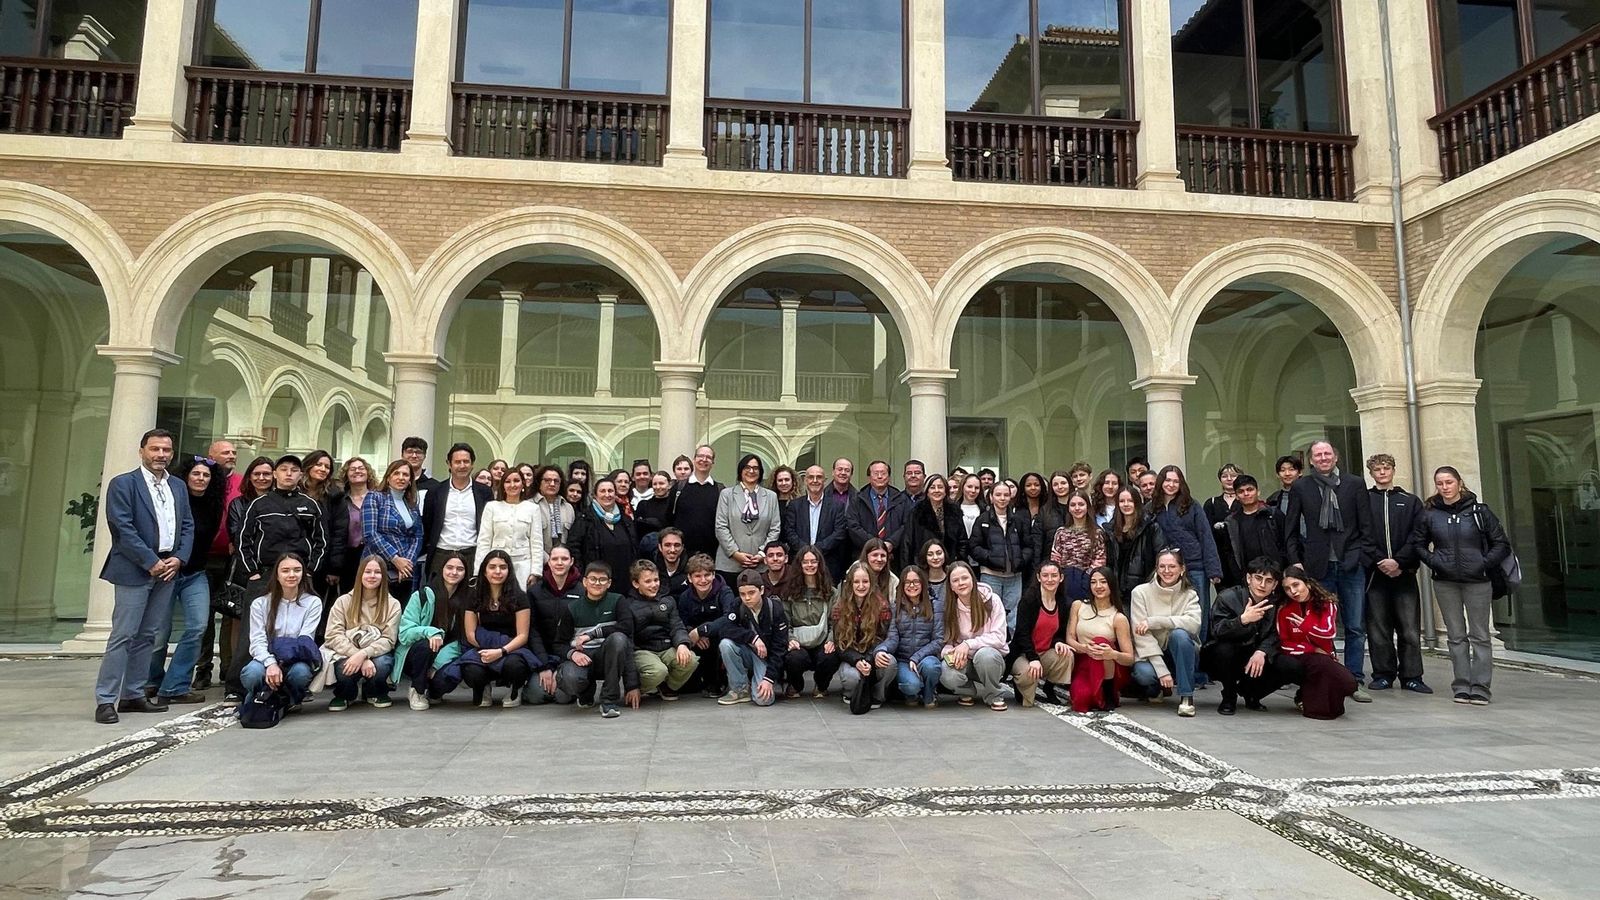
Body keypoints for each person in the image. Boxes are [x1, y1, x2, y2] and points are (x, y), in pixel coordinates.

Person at [94, 429, 196, 724]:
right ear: (142, 451)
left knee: (147, 636)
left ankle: (133, 694)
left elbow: (187, 524)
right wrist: (150, 561)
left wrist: (178, 558)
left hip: (168, 569)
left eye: (166, 450)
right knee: (123, 635)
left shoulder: (177, 486)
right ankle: (105, 699)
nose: (161, 455)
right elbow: (122, 528)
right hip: (135, 569)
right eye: (155, 449)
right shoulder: (123, 484)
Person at [1409, 466, 1510, 706]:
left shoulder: (1479, 512)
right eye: (1440, 483)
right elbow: (1418, 543)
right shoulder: (1430, 513)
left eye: (1449, 482)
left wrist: (1483, 563)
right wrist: (1434, 561)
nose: (1445, 487)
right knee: (1455, 635)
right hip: (1445, 581)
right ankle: (1462, 684)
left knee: (1480, 635)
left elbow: (1501, 543)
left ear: (1459, 483)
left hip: (1478, 580)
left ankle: (1481, 686)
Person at [1284, 440, 1375, 700]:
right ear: (1311, 461)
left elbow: (1366, 526)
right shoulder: (1302, 486)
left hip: (1350, 563)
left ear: (1335, 457)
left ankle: (1354, 679)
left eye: (1327, 453)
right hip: (1317, 565)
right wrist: (1296, 562)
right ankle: (1329, 675)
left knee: (1355, 625)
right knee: (1321, 625)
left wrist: (1361, 557)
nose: (1323, 458)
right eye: (1318, 455)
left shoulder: (1354, 484)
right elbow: (1290, 528)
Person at [145, 455, 222, 705]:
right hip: (166, 571)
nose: (201, 479)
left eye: (206, 475)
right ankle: (151, 681)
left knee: (197, 626)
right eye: (196, 474)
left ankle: (175, 685)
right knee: (159, 632)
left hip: (195, 572)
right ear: (185, 476)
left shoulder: (214, 503)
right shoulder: (172, 499)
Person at [1252, 566, 1358, 719]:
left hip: (1325, 657)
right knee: (1321, 702)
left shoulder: (1326, 603)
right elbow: (1284, 642)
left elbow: (1329, 632)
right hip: (1300, 657)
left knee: (1347, 686)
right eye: (1287, 588)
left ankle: (1305, 696)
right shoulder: (1284, 609)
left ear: (1307, 583)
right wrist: (1312, 649)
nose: (1293, 591)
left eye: (1296, 585)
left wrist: (1305, 626)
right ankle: (1309, 701)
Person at [1366, 454, 1430, 694]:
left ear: (1393, 470)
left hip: (1404, 572)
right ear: (1371, 473)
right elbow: (1362, 535)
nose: (1382, 472)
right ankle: (1383, 674)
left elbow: (1418, 534)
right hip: (1375, 573)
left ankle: (1412, 676)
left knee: (1410, 628)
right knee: (1378, 627)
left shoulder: (1411, 501)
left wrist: (1399, 561)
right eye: (1377, 469)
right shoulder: (1365, 500)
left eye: (1386, 468)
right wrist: (1379, 560)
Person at [216, 455, 272, 699]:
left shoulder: (279, 502)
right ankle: (233, 675)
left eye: (267, 474)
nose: (262, 478)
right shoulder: (239, 503)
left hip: (275, 569)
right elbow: (238, 535)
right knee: (240, 623)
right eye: (257, 474)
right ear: (249, 477)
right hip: (246, 569)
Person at [452, 550, 539, 707]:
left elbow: (522, 635)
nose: (497, 571)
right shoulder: (474, 595)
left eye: (503, 567)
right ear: (484, 571)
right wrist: (488, 652)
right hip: (482, 646)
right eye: (492, 567)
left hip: (512, 648)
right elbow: (470, 633)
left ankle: (515, 689)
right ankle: (483, 687)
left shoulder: (520, 597)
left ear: (509, 571)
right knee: (471, 670)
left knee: (515, 666)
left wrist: (500, 651)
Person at [1199, 557, 1284, 715]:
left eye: (1268, 581)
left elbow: (1277, 634)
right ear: (1248, 578)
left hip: (1256, 654)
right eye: (1258, 578)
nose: (1262, 585)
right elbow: (1216, 630)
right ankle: (1229, 695)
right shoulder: (1228, 597)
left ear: (1275, 585)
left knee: (1289, 664)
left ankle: (1252, 693)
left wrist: (1262, 651)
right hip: (1228, 654)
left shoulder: (1278, 603)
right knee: (1224, 650)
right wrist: (1243, 620)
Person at [558, 557, 640, 717]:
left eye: (602, 580)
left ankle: (609, 700)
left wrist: (632, 685)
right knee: (569, 679)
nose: (597, 583)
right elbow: (558, 643)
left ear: (609, 583)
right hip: (582, 658)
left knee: (619, 639)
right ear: (585, 582)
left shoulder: (618, 601)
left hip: (607, 657)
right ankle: (585, 693)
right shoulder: (572, 608)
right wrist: (573, 654)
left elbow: (626, 628)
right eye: (593, 579)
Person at [236, 454, 328, 597]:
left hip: (299, 574)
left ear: (301, 475)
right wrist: (252, 572)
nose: (289, 473)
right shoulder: (257, 504)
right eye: (283, 469)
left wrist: (310, 570)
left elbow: (322, 541)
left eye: (294, 470)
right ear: (275, 474)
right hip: (264, 574)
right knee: (257, 619)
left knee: (298, 618)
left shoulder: (311, 505)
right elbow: (243, 540)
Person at [239, 553, 322, 710]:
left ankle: (291, 699)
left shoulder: (313, 602)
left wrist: (282, 662)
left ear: (303, 574)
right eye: (285, 570)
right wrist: (270, 663)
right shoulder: (260, 603)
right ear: (276, 575)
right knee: (251, 674)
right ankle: (259, 698)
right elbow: (257, 641)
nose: (291, 575)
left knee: (301, 674)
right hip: (267, 656)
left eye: (297, 570)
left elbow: (305, 640)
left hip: (296, 657)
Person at [1150, 466, 1222, 642]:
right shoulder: (1151, 508)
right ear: (1161, 482)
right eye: (1168, 480)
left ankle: (1201, 653)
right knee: (1173, 612)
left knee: (1199, 612)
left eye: (1176, 481)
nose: (1171, 484)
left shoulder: (1192, 505)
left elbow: (1206, 535)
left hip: (1195, 566)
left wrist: (1214, 570)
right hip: (1167, 570)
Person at [321, 555, 402, 710]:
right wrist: (357, 655)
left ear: (383, 576)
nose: (372, 576)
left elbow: (389, 639)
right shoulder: (343, 601)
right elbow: (333, 635)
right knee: (344, 669)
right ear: (360, 575)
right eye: (368, 571)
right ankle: (345, 694)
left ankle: (374, 691)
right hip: (347, 653)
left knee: (383, 664)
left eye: (377, 572)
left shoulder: (393, 604)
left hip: (377, 654)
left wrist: (364, 654)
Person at [1129, 549, 1202, 717]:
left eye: (1172, 566)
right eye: (1162, 566)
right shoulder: (1140, 592)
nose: (1167, 571)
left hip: (1181, 652)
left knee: (1180, 635)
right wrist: (1163, 671)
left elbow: (1193, 624)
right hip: (1151, 654)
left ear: (1182, 569)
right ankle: (1157, 689)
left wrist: (1155, 621)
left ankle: (1186, 697)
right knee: (1144, 674)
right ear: (1156, 568)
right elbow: (1141, 635)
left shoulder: (1190, 594)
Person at [194, 439, 241, 692]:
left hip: (232, 560)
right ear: (211, 455)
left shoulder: (243, 482)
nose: (231, 455)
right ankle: (202, 668)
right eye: (226, 452)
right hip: (203, 557)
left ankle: (228, 667)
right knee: (204, 616)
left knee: (231, 613)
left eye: (234, 452)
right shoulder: (202, 479)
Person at [612, 560, 698, 699]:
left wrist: (682, 644)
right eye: (648, 581)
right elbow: (628, 642)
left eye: (656, 580)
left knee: (691, 660)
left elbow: (677, 625)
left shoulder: (668, 600)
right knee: (658, 671)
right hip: (642, 650)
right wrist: (631, 686)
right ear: (636, 583)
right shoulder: (627, 605)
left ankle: (666, 687)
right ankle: (642, 689)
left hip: (666, 647)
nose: (654, 585)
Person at [394, 551, 469, 710]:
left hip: (443, 658)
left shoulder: (467, 601)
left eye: (459, 569)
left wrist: (436, 665)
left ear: (465, 573)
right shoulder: (421, 596)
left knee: (449, 676)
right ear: (441, 569)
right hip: (416, 656)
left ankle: (434, 692)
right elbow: (405, 633)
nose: (454, 572)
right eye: (449, 567)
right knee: (426, 645)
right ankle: (417, 690)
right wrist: (430, 631)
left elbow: (462, 640)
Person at [710, 570, 791, 705]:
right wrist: (752, 638)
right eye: (742, 594)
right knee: (726, 644)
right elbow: (725, 628)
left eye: (751, 593)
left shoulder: (774, 608)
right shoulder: (737, 605)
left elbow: (780, 648)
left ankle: (763, 681)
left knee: (763, 700)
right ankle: (740, 688)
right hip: (748, 652)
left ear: (762, 590)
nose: (747, 598)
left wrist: (769, 678)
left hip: (767, 659)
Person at [937, 562, 1010, 710]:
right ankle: (966, 691)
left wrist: (968, 644)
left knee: (985, 655)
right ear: (951, 586)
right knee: (946, 672)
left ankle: (994, 694)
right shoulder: (949, 607)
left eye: (965, 578)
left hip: (990, 661)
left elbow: (999, 637)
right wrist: (952, 653)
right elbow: (946, 641)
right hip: (965, 662)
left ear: (973, 579)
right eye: (955, 580)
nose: (961, 583)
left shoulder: (992, 600)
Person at [1065, 568, 1136, 712]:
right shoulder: (1078, 606)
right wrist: (1084, 648)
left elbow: (1130, 658)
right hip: (1084, 661)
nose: (1098, 586)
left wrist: (1112, 654)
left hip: (1110, 668)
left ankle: (1108, 692)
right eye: (1093, 582)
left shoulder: (1118, 618)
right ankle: (1095, 692)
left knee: (1100, 641)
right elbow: (1070, 638)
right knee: (1081, 701)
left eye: (1103, 582)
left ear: (1111, 585)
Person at [873, 566, 943, 707]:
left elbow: (939, 640)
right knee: (911, 685)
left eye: (916, 581)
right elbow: (893, 637)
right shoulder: (896, 607)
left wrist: (916, 657)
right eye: (908, 582)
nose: (912, 585)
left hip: (926, 658)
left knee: (932, 667)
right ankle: (911, 694)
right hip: (903, 660)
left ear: (923, 583)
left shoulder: (935, 606)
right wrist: (881, 650)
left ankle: (929, 694)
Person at [421, 442, 492, 579]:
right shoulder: (435, 491)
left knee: (472, 598)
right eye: (457, 462)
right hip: (441, 554)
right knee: (438, 597)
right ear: (449, 464)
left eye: (466, 461)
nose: (462, 465)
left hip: (472, 555)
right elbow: (427, 524)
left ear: (472, 464)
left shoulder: (484, 492)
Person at [1009, 561, 1074, 707]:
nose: (1050, 579)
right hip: (1024, 654)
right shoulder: (1029, 600)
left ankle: (1049, 687)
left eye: (1054, 575)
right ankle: (1020, 685)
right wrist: (1032, 658)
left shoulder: (1063, 602)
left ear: (1061, 578)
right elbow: (1022, 633)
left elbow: (1060, 631)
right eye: (1045, 575)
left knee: (1066, 654)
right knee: (1027, 699)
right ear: (1039, 578)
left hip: (1044, 652)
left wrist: (1058, 642)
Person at [832, 561, 894, 710]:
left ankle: (878, 696)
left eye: (865, 581)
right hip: (852, 655)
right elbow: (839, 644)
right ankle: (850, 693)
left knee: (890, 663)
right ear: (850, 584)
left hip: (873, 653)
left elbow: (883, 637)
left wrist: (868, 659)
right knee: (850, 677)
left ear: (871, 583)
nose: (861, 586)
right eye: (857, 582)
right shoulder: (839, 607)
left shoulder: (882, 605)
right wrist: (857, 660)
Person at [714, 453, 783, 584]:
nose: (751, 471)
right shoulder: (727, 494)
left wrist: (762, 554)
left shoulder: (771, 496)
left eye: (755, 468)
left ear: (761, 472)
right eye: (747, 467)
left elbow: (775, 528)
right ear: (741, 470)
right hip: (730, 564)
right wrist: (735, 553)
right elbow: (721, 526)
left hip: (760, 565)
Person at [362, 460, 424, 606]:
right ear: (388, 477)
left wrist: (406, 563)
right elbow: (370, 533)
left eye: (405, 475)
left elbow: (418, 536)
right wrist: (395, 559)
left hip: (405, 571)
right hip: (378, 564)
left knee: (401, 611)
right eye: (396, 473)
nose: (401, 477)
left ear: (410, 481)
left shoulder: (411, 504)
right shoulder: (374, 497)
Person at [968, 480, 1028, 629]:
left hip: (1014, 576)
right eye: (998, 494)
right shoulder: (982, 520)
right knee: (990, 613)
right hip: (990, 574)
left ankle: (1011, 649)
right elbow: (974, 547)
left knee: (1013, 615)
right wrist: (990, 558)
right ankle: (992, 649)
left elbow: (1028, 545)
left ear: (1010, 497)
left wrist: (1021, 560)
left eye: (1006, 495)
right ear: (991, 497)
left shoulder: (1018, 520)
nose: (1002, 498)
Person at [781, 545, 838, 698]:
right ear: (799, 565)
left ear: (820, 564)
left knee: (830, 657)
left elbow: (836, 620)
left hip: (823, 640)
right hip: (798, 642)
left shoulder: (831, 592)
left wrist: (831, 640)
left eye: (814, 561)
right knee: (793, 658)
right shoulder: (789, 592)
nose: (810, 565)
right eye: (805, 562)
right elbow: (784, 621)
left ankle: (821, 685)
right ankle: (796, 685)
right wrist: (790, 639)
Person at [475, 465, 545, 589]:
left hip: (523, 565)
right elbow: (484, 541)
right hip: (497, 566)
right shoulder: (492, 507)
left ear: (523, 485)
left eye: (516, 481)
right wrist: (479, 570)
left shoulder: (532, 508)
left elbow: (537, 542)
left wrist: (535, 572)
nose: (512, 485)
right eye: (508, 481)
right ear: (503, 485)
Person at [678, 553, 735, 697]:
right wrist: (693, 632)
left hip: (720, 638)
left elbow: (730, 618)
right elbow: (682, 622)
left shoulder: (724, 592)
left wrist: (703, 630)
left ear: (713, 574)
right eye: (697, 576)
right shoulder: (685, 597)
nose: (703, 580)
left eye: (707, 575)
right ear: (690, 578)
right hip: (697, 640)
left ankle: (720, 682)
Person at [782, 464, 848, 581]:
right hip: (799, 562)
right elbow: (789, 531)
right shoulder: (795, 505)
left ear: (825, 480)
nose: (815, 481)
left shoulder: (837, 506)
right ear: (805, 480)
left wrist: (816, 550)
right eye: (811, 477)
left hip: (828, 563)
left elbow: (839, 533)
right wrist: (805, 551)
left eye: (819, 477)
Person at [300, 450, 344, 619]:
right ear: (308, 465)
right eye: (319, 464)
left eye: (327, 466)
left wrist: (334, 568)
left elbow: (339, 533)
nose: (323, 469)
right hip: (294, 557)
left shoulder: (334, 495)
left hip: (321, 562)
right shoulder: (294, 491)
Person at [567, 479, 638, 583]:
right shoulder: (584, 518)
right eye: (602, 491)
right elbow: (574, 548)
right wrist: (582, 575)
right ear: (595, 495)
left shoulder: (625, 519)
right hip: (596, 582)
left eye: (610, 491)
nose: (607, 494)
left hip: (624, 581)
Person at [1221, 475, 1286, 586]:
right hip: (1248, 578)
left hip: (1275, 575)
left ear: (1258, 492)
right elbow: (1230, 554)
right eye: (1241, 491)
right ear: (1236, 496)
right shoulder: (1232, 522)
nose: (1246, 494)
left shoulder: (1273, 514)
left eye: (1250, 490)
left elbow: (1286, 543)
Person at [845, 459, 910, 561]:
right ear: (869, 478)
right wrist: (874, 545)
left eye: (883, 473)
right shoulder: (858, 500)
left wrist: (891, 542)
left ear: (889, 477)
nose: (880, 476)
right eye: (876, 473)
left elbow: (906, 525)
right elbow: (853, 526)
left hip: (895, 557)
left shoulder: (900, 499)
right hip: (864, 555)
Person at [1105, 487, 1163, 598]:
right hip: (1117, 592)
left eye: (1130, 501)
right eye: (1122, 501)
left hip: (1144, 590)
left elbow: (1160, 556)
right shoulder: (1111, 530)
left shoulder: (1151, 527)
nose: (1126, 504)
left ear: (1137, 502)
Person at [1048, 490, 1105, 601]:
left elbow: (1100, 560)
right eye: (1073, 505)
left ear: (1087, 507)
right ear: (1069, 508)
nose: (1077, 508)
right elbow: (1055, 559)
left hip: (1087, 582)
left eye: (1081, 504)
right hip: (1065, 582)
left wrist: (1086, 578)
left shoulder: (1097, 532)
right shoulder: (1061, 532)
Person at [903, 474, 966, 572]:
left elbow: (962, 541)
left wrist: (958, 562)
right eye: (932, 487)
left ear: (946, 491)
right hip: (923, 567)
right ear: (927, 491)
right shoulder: (916, 512)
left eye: (940, 487)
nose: (937, 490)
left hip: (950, 567)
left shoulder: (955, 512)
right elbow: (908, 542)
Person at [669, 444, 721, 560]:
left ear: (713, 462)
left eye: (708, 457)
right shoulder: (678, 489)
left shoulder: (720, 490)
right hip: (681, 555)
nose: (704, 459)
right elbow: (669, 519)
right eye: (700, 456)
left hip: (711, 554)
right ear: (694, 459)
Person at [331, 457, 373, 594]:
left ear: (368, 473)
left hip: (373, 554)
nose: (357, 471)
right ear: (346, 474)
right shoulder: (340, 501)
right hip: (348, 557)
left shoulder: (378, 498)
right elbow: (335, 533)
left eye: (361, 468)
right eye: (352, 469)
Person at [1203, 464, 1241, 587]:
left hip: (1242, 556)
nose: (1229, 479)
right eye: (1225, 476)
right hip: (1220, 558)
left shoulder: (1246, 501)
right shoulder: (1211, 503)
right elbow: (1206, 534)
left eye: (1233, 475)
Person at [534, 465, 574, 551]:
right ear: (539, 483)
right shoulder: (531, 505)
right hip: (538, 558)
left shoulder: (568, 508)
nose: (552, 484)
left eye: (556, 481)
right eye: (547, 480)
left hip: (562, 559)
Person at [634, 471, 673, 541]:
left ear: (669, 485)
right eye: (655, 484)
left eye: (661, 483)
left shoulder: (674, 505)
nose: (658, 487)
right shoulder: (644, 505)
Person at [654, 526, 691, 595]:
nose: (672, 550)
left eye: (677, 545)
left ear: (682, 547)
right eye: (667, 545)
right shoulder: (652, 568)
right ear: (660, 547)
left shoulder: (691, 568)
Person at [1268, 454, 1303, 519]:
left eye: (1291, 469)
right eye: (1283, 470)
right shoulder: (1273, 499)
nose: (1287, 474)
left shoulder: (1310, 494)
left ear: (1300, 472)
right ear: (1277, 474)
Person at [957, 474, 985, 554]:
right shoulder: (953, 509)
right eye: (969, 487)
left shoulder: (985, 510)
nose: (973, 491)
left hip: (979, 555)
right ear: (962, 487)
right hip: (960, 555)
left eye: (976, 488)